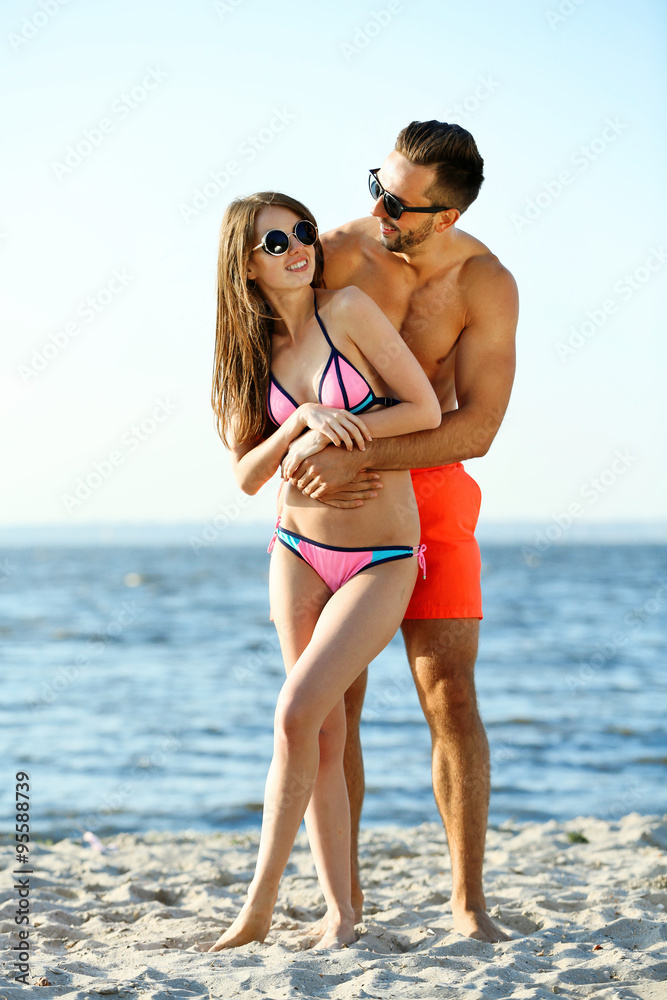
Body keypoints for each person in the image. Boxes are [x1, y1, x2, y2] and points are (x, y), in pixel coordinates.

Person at [281, 121, 519, 943]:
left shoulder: (484, 282)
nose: (376, 207)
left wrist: (365, 455)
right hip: (338, 502)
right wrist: (306, 456)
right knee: (332, 700)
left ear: (443, 217)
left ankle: (466, 904)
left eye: (398, 202)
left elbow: (479, 426)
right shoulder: (335, 253)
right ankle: (339, 906)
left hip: (435, 493)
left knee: (448, 691)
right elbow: (268, 361)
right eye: (375, 185)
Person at [208, 191, 441, 951]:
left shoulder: (347, 310)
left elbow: (422, 412)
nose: (298, 247)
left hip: (381, 558)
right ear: (245, 263)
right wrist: (300, 428)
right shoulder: (248, 354)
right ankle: (340, 912)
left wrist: (346, 439)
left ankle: (259, 906)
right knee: (324, 728)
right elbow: (247, 476)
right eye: (276, 243)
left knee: (294, 713)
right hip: (296, 552)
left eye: (302, 232)